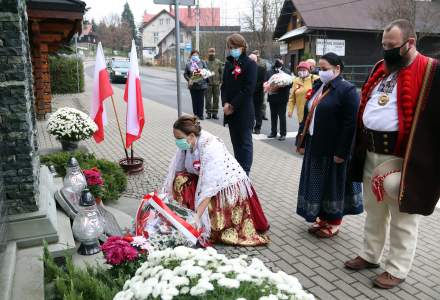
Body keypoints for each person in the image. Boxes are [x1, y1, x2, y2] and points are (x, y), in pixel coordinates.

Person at [345, 19, 440, 289]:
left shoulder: (432, 70)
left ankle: (397, 268)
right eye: (383, 44)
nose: (385, 49)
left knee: (402, 216)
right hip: (371, 150)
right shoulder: (381, 68)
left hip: (405, 157)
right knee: (373, 210)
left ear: (410, 42)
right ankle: (370, 254)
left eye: (392, 45)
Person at [162, 115, 270, 246]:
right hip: (205, 180)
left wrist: (197, 217)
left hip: (226, 186)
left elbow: (209, 186)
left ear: (190, 136)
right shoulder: (187, 144)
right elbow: (176, 170)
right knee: (180, 179)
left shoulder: (211, 146)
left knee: (203, 199)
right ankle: (182, 214)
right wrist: (166, 198)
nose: (177, 141)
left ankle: (211, 224)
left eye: (179, 138)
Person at [296, 52, 363, 238]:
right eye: (319, 68)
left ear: (337, 69)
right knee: (319, 184)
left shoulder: (347, 90)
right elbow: (308, 112)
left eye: (325, 69)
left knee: (333, 185)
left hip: (334, 149)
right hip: (315, 145)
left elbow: (350, 124)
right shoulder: (320, 86)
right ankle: (323, 218)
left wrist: (342, 152)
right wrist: (301, 140)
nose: (321, 72)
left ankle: (334, 222)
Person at [221, 33, 257, 176]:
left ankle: (245, 172)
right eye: (230, 47)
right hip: (230, 112)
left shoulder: (250, 64)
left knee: (245, 144)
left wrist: (233, 105)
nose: (232, 50)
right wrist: (224, 103)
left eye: (235, 47)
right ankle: (238, 170)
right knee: (236, 144)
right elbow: (224, 86)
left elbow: (248, 89)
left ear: (242, 47)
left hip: (243, 111)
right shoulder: (229, 64)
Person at [288, 61, 319, 146]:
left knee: (310, 128)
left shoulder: (315, 79)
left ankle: (304, 145)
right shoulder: (296, 81)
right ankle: (301, 145)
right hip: (301, 111)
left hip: (312, 110)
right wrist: (290, 110)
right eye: (299, 70)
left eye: (303, 69)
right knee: (303, 127)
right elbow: (292, 98)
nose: (301, 71)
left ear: (308, 70)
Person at [266, 57, 290, 141]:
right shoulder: (269, 71)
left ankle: (283, 133)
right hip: (272, 97)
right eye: (276, 60)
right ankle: (273, 132)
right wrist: (268, 86)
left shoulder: (286, 71)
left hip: (282, 97)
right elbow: (266, 82)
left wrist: (281, 84)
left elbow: (290, 84)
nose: (278, 62)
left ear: (282, 61)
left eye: (279, 60)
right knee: (273, 115)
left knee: (282, 116)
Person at [184, 50, 208, 120]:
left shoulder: (202, 62)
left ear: (198, 55)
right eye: (193, 55)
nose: (195, 56)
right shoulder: (189, 64)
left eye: (196, 55)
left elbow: (206, 71)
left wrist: (202, 75)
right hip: (193, 86)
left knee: (201, 101)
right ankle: (195, 114)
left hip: (201, 85)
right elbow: (185, 74)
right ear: (191, 56)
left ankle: (201, 115)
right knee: (194, 101)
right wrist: (189, 80)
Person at [249, 53, 266, 134]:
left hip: (258, 94)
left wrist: (252, 89)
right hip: (248, 94)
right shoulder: (246, 69)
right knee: (249, 111)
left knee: (258, 112)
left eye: (253, 60)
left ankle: (257, 127)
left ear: (256, 60)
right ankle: (250, 127)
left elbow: (261, 82)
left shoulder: (261, 69)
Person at [205, 48, 223, 119]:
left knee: (216, 99)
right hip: (208, 84)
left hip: (216, 83)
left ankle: (215, 113)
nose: (212, 53)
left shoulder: (218, 62)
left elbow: (221, 72)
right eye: (210, 52)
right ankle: (209, 113)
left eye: (213, 52)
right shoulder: (205, 62)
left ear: (215, 53)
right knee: (208, 99)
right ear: (208, 53)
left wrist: (221, 81)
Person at [252, 50, 269, 120]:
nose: (257, 56)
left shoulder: (263, 62)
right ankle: (255, 114)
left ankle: (263, 114)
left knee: (263, 102)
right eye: (255, 55)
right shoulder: (252, 60)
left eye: (257, 55)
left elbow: (266, 72)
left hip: (262, 83)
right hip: (254, 83)